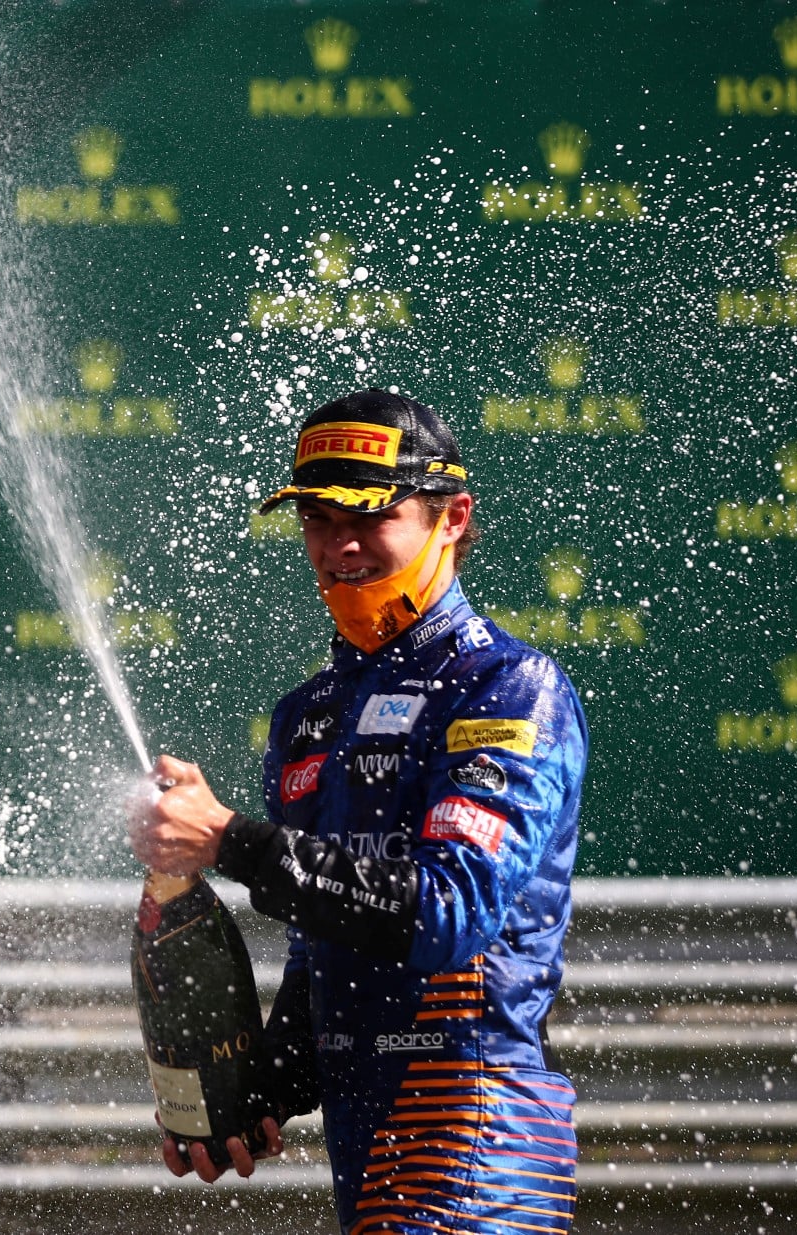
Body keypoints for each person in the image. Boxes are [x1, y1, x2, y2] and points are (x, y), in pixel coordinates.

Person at [130, 390, 589, 1234]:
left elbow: (448, 911)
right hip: (371, 1146)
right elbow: (323, 959)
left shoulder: (508, 687)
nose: (339, 543)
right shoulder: (307, 714)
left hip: (478, 1129)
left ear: (452, 518)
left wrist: (231, 839)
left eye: (371, 516)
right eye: (316, 516)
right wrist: (256, 1087)